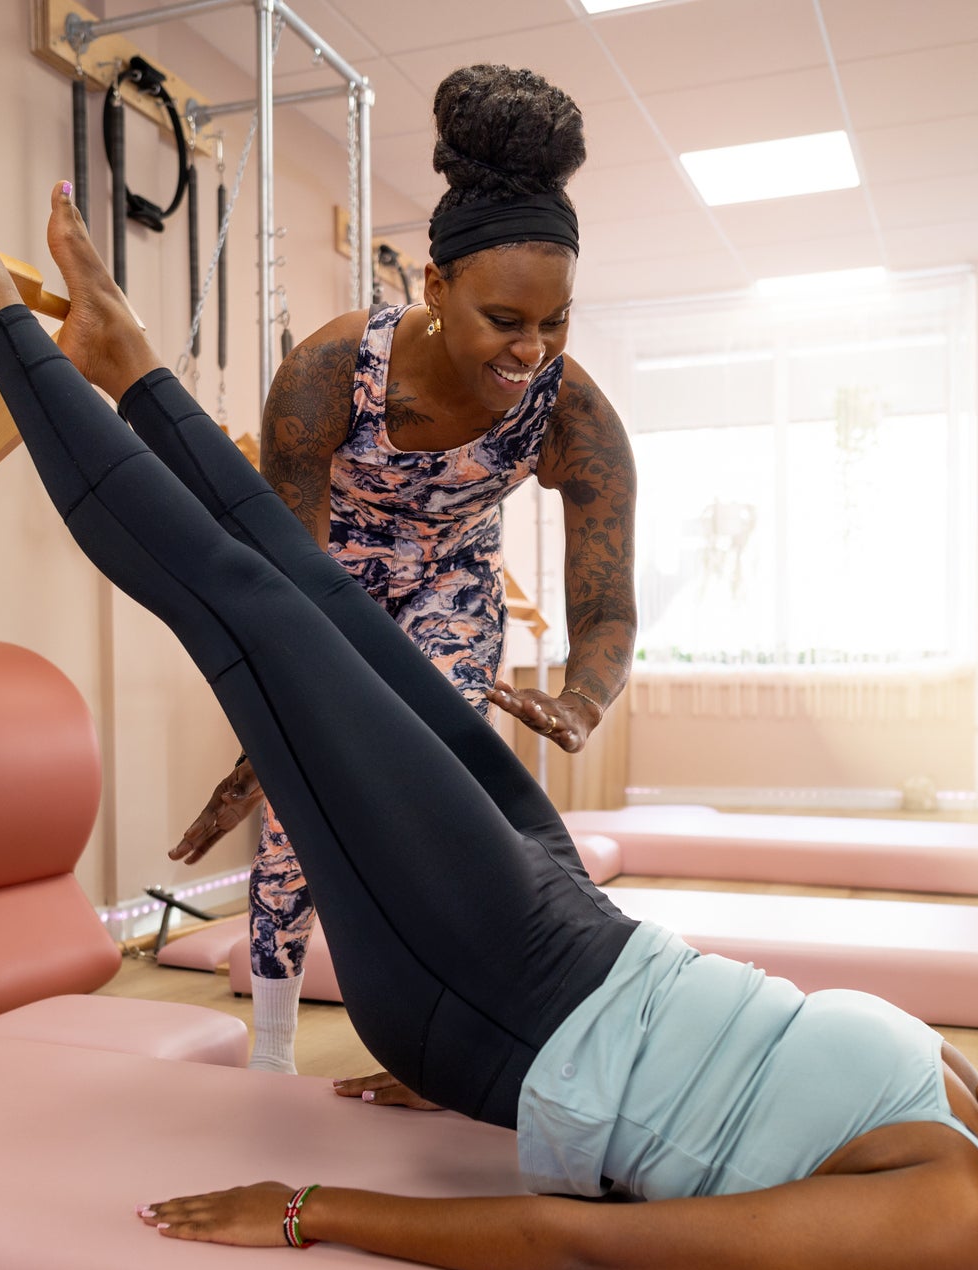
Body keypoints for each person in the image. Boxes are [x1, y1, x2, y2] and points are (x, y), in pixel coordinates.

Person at [0, 111, 978, 1270]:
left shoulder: (959, 1230)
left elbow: (600, 1246)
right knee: (319, 597)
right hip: (560, 946)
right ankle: (127, 358)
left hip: (507, 978)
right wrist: (480, 1093)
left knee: (243, 614)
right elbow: (706, 1122)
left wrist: (319, 1207)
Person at [166, 65, 639, 1073]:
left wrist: (583, 699)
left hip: (453, 589)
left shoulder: (572, 416)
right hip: (322, 586)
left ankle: (455, 1040)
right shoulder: (328, 377)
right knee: (300, 809)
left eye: (554, 321)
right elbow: (276, 576)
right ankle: (272, 1050)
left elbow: (606, 609)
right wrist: (264, 745)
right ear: (433, 288)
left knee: (435, 800)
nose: (532, 347)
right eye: (505, 319)